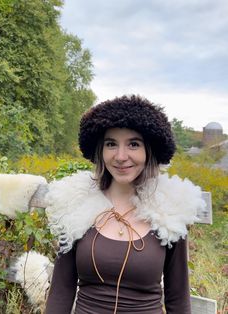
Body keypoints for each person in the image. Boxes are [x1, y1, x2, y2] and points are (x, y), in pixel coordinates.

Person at [44, 95, 204, 314]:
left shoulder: (170, 213)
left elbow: (178, 299)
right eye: (111, 144)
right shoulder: (75, 205)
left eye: (133, 144)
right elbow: (61, 291)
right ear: (100, 150)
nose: (120, 156)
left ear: (149, 151)